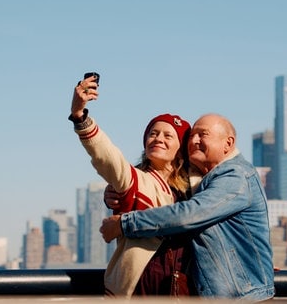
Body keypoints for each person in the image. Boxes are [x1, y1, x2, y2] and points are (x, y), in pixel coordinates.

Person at [100, 113, 275, 301]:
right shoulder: (203, 181)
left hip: (243, 297)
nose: (194, 141)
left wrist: (124, 224)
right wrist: (118, 192)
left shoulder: (236, 176)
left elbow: (189, 215)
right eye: (191, 136)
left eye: (202, 135)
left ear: (228, 143)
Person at [68, 73, 195, 297]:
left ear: (180, 149)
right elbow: (107, 157)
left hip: (184, 287)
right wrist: (80, 116)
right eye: (153, 134)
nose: (158, 138)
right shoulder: (135, 180)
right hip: (140, 286)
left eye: (168, 136)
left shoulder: (196, 188)